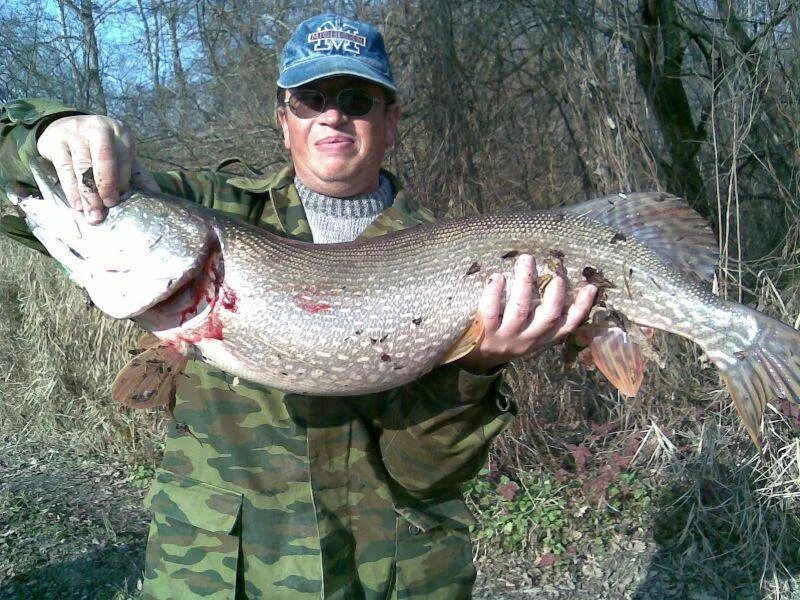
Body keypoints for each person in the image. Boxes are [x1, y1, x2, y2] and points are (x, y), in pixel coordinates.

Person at [0, 13, 596, 599]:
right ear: (284, 120)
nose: (333, 113)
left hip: (390, 574)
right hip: (220, 573)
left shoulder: (458, 257)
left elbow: (426, 474)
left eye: (357, 99)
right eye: (311, 99)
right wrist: (48, 134)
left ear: (391, 123)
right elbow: (19, 195)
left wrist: (476, 368)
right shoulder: (207, 207)